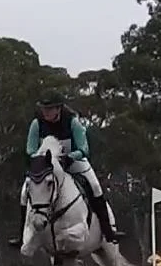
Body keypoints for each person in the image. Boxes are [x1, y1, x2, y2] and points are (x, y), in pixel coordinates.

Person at [8, 90, 124, 247]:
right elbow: (30, 149)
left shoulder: (72, 122)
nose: (46, 112)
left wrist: (70, 157)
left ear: (59, 108)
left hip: (72, 161)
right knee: (24, 192)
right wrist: (41, 158)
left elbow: (84, 149)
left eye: (49, 108)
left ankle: (108, 230)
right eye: (44, 108)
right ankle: (21, 234)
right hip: (46, 165)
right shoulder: (37, 124)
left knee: (95, 186)